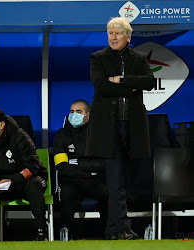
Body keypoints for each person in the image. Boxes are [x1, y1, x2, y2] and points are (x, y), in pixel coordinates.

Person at [85, 17, 155, 240]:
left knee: (127, 181)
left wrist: (122, 80)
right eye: (110, 33)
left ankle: (117, 228)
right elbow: (102, 86)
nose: (113, 37)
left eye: (117, 33)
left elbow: (149, 83)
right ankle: (119, 229)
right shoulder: (98, 58)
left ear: (128, 36)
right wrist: (131, 87)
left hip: (133, 128)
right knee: (115, 181)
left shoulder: (140, 58)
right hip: (109, 128)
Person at [0, 108, 48, 241]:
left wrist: (12, 180)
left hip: (22, 182)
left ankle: (42, 233)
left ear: (1, 125)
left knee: (34, 183)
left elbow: (32, 167)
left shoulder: (20, 137)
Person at [53, 100, 108, 240]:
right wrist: (87, 168)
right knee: (65, 194)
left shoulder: (98, 134)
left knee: (107, 193)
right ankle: (73, 236)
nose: (74, 115)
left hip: (95, 180)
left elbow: (102, 164)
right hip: (71, 181)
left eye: (79, 112)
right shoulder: (61, 135)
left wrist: (76, 163)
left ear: (88, 115)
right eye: (71, 112)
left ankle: (106, 234)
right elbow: (61, 165)